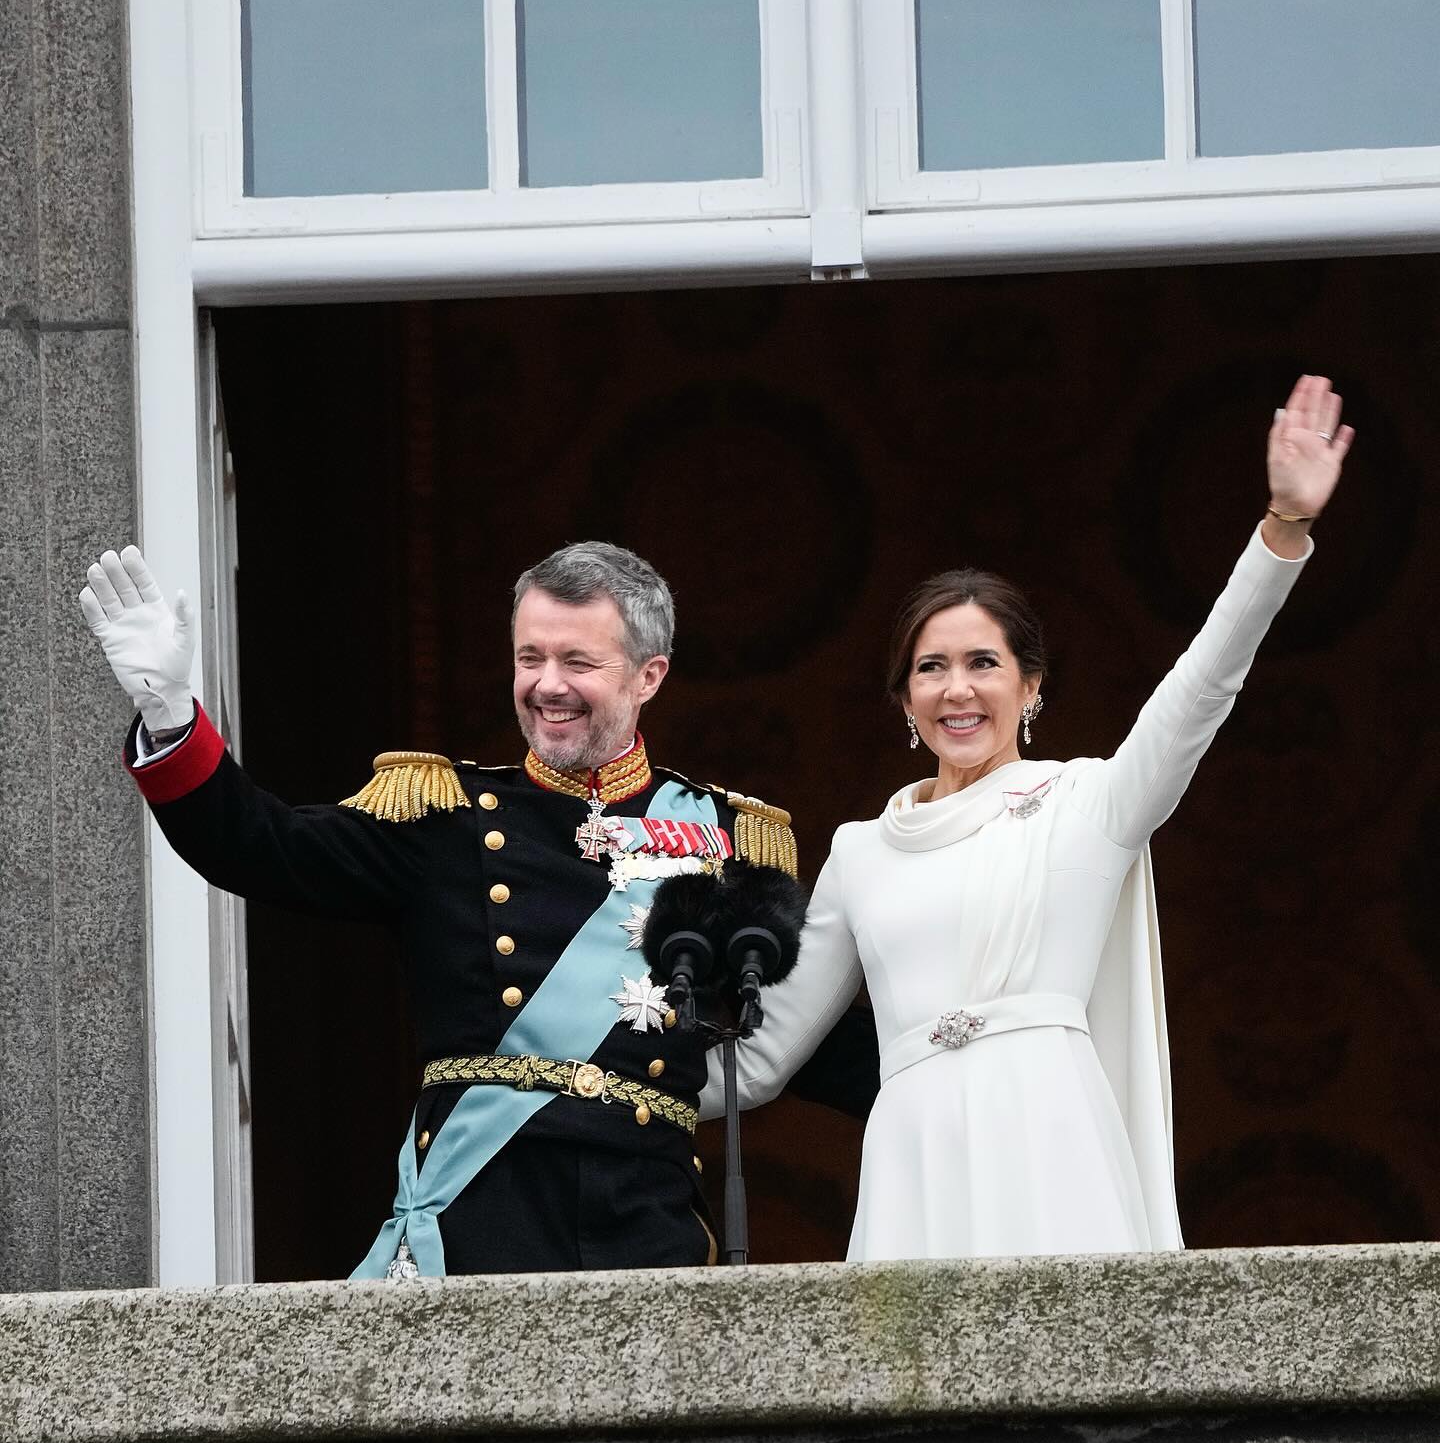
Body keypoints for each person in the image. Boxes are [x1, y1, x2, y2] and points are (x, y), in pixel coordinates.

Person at [80, 540, 876, 1278]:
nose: (547, 685)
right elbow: (260, 845)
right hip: (478, 1215)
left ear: (648, 676)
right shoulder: (446, 816)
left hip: (648, 1219)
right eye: (530, 657)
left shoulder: (728, 841)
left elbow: (820, 1038)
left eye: (577, 661)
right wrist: (170, 713)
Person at [704, 375, 1353, 1261]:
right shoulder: (860, 854)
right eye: (931, 668)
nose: (957, 689)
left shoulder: (1089, 804)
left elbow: (1203, 689)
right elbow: (768, 1051)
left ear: (1030, 685)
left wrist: (1283, 531)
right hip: (915, 1159)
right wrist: (587, 1084)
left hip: (1053, 1141)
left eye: (983, 662)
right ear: (904, 698)